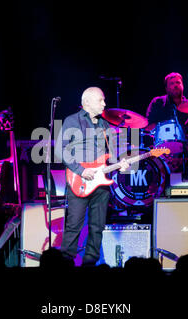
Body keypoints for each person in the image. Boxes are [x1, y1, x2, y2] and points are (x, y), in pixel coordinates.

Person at [55, 87, 129, 266]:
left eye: (104, 100)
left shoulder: (106, 125)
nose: (104, 103)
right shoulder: (72, 121)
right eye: (101, 100)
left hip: (101, 184)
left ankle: (90, 263)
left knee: (97, 227)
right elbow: (60, 150)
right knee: (74, 226)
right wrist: (81, 170)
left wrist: (121, 164)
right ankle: (65, 264)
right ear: (87, 102)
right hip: (79, 180)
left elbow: (111, 157)